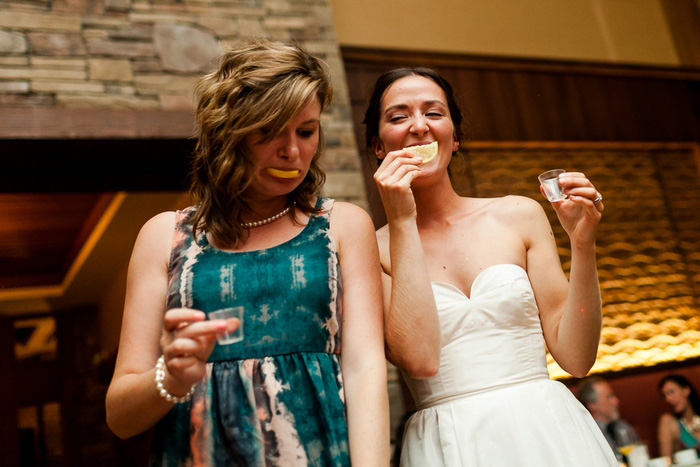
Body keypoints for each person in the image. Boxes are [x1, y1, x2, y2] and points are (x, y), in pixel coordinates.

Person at [106, 39, 389, 466]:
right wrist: (171, 376)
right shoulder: (164, 236)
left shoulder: (343, 226)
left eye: (306, 131)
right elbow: (120, 418)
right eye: (269, 131)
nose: (292, 151)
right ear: (228, 133)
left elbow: (366, 369)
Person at [363, 67, 617, 466]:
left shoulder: (519, 214)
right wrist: (401, 222)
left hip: (548, 431)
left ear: (455, 136)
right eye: (398, 117)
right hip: (449, 443)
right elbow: (419, 359)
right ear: (379, 147)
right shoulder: (369, 248)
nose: (418, 127)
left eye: (434, 113)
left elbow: (577, 357)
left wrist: (583, 245)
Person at [577, 376, 640, 462]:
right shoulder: (588, 435)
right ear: (592, 405)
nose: (616, 401)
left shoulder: (624, 427)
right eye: (609, 397)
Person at [657, 374, 700, 459]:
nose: (668, 399)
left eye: (671, 392)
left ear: (686, 390)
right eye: (665, 396)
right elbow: (666, 460)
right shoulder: (669, 422)